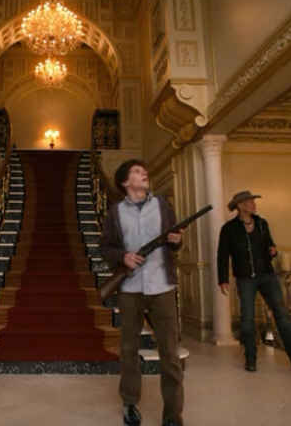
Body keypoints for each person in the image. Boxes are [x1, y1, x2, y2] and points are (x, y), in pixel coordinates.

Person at [100, 159, 185, 426]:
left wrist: (176, 241)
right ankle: (129, 402)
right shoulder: (115, 213)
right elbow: (106, 248)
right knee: (129, 349)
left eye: (143, 170)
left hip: (162, 286)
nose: (144, 173)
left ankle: (173, 414)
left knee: (170, 353)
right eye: (137, 171)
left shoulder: (163, 205)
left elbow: (175, 241)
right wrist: (123, 257)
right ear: (125, 182)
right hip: (130, 288)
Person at [217, 190, 291, 372]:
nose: (254, 204)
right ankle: (251, 360)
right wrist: (223, 279)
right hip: (245, 279)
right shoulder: (229, 229)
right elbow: (222, 255)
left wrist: (273, 251)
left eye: (253, 201)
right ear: (240, 206)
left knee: (283, 316)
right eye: (250, 202)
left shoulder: (262, 224)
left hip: (267, 276)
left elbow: (270, 246)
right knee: (247, 320)